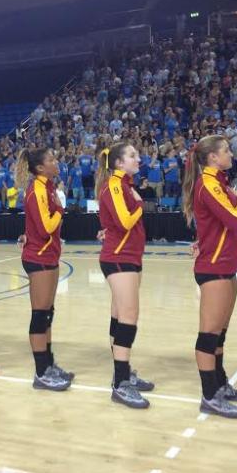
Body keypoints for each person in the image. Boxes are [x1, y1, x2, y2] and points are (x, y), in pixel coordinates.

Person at [182, 136, 237, 419]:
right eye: (225, 150)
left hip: (225, 264)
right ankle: (210, 395)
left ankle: (220, 384)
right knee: (208, 335)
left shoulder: (217, 182)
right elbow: (234, 218)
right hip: (214, 266)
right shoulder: (209, 184)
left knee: (219, 332)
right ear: (212, 157)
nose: (231, 153)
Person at [96, 141, 154, 409]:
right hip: (119, 258)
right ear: (119, 163)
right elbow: (124, 220)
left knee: (120, 316)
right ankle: (120, 383)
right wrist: (141, 205)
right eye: (132, 156)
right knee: (129, 317)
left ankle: (123, 371)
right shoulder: (115, 185)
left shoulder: (124, 185)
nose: (138, 159)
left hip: (128, 256)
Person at [16, 148, 73, 391]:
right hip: (38, 257)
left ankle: (48, 364)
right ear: (40, 167)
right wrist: (60, 208)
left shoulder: (47, 187)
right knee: (40, 314)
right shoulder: (38, 189)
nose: (55, 161)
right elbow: (45, 227)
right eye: (51, 159)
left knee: (48, 312)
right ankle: (41, 372)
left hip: (48, 255)